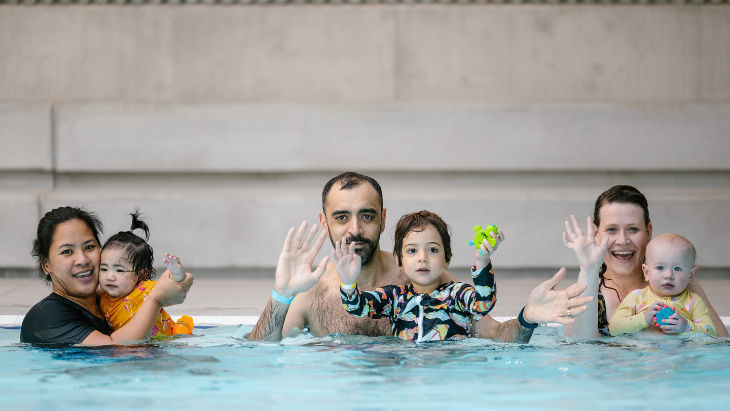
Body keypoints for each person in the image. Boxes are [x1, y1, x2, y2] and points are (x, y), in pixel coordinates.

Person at [249, 172, 596, 342]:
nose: (355, 229)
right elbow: (260, 352)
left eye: (367, 216)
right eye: (342, 217)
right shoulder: (311, 292)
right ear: (325, 223)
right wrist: (281, 292)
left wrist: (528, 318)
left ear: (383, 219)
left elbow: (497, 336)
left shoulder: (421, 277)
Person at [562, 185, 727, 339]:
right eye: (612, 229)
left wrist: (687, 327)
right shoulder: (587, 288)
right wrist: (588, 269)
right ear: (596, 234)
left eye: (633, 229)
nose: (622, 240)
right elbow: (578, 353)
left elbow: (720, 343)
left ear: (648, 232)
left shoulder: (676, 280)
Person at [20, 206, 193, 345]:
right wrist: (156, 300)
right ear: (46, 264)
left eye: (89, 247)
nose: (82, 260)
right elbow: (115, 347)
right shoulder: (46, 317)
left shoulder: (108, 299)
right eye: (67, 251)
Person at [336, 210, 500, 341]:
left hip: (449, 370)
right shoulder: (394, 298)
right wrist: (349, 283)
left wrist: (482, 261)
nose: (422, 257)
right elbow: (356, 306)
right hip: (409, 374)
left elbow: (483, 304)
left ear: (447, 259)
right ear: (399, 260)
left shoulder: (457, 294)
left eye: (432, 250)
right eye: (412, 250)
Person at [99, 211, 194, 337]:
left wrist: (176, 272)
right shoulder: (103, 295)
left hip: (166, 341)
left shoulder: (144, 290)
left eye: (120, 270)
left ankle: (183, 327)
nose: (109, 277)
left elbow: (174, 285)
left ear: (142, 275)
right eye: (104, 269)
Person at [608, 234, 716, 336]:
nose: (668, 275)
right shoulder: (637, 297)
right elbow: (614, 328)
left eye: (677, 269)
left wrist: (687, 327)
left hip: (680, 354)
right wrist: (643, 319)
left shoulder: (694, 302)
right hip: (644, 353)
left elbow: (711, 332)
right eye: (660, 268)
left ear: (691, 275)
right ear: (646, 272)